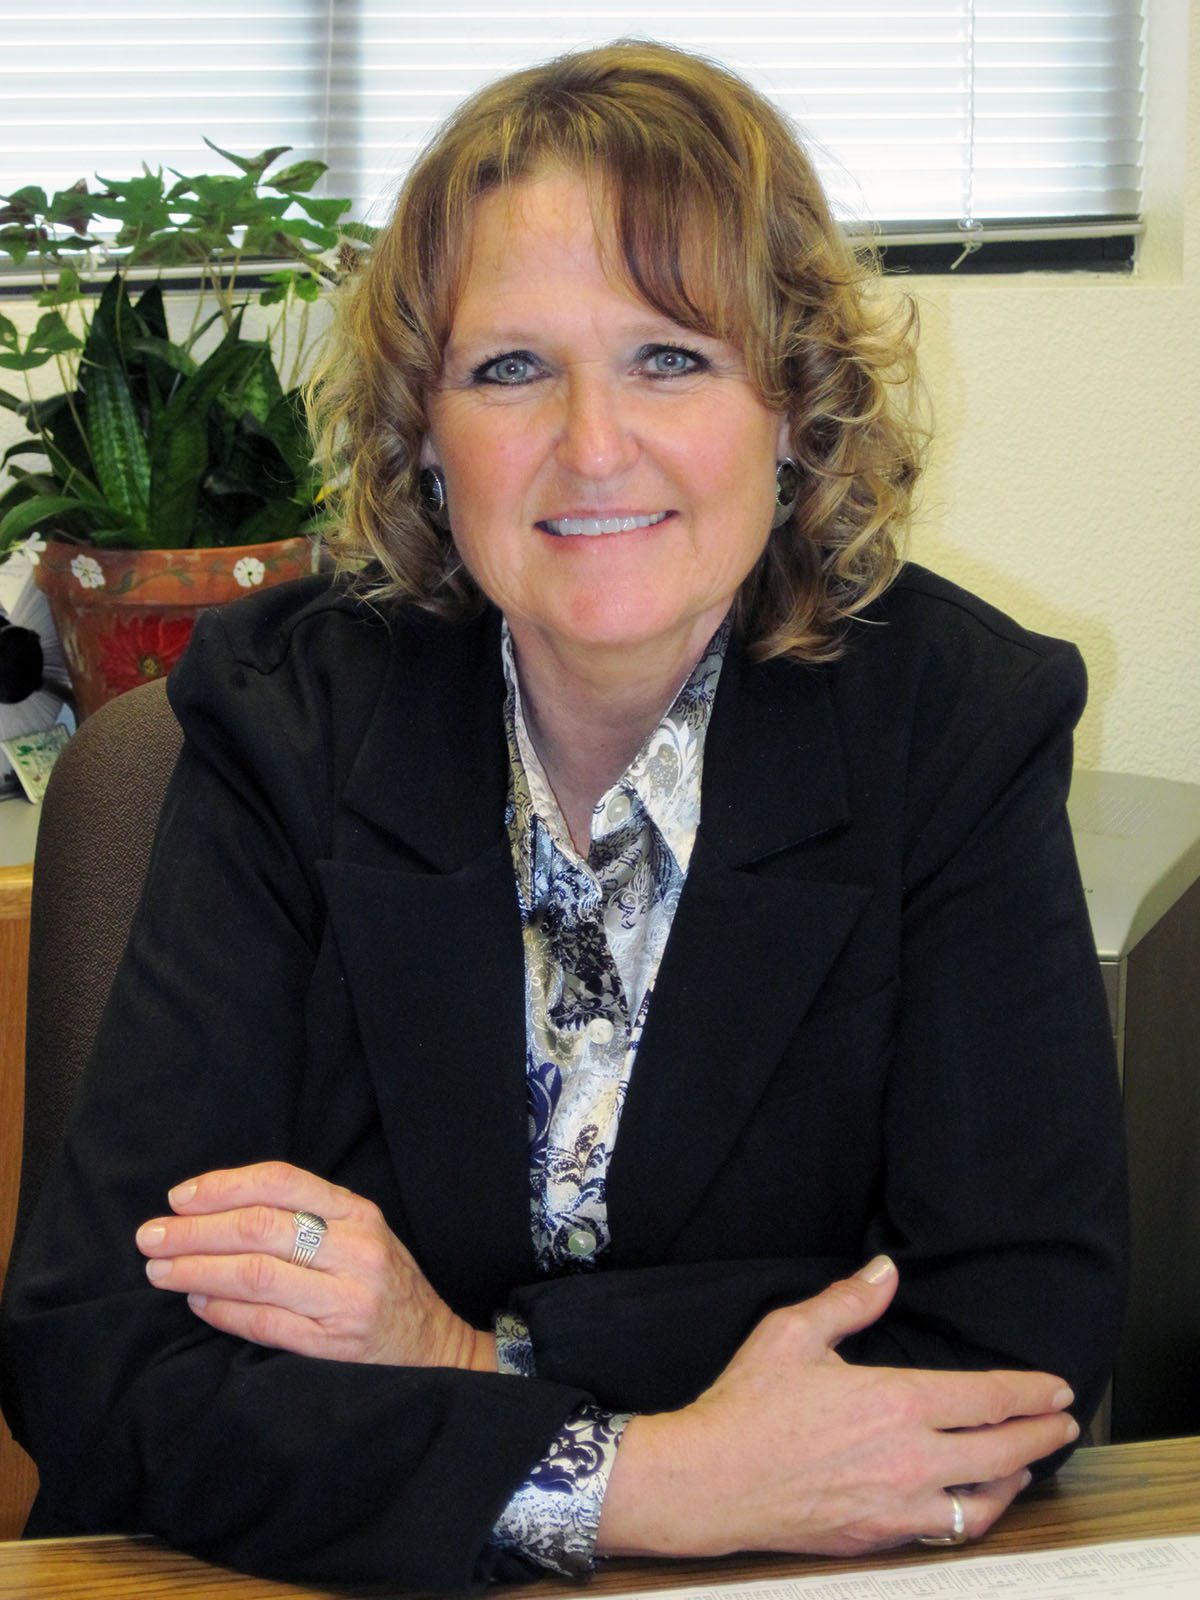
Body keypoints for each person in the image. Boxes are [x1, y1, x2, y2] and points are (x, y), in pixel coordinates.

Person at [0, 39, 1126, 1591]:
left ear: (792, 406)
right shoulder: (290, 719)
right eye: (511, 367)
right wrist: (640, 1477)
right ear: (421, 430)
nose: (594, 446)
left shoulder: (955, 726)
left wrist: (457, 1357)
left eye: (672, 355)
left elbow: (1014, 1352)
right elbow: (97, 1360)